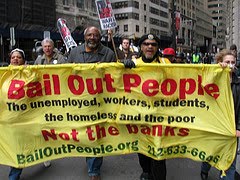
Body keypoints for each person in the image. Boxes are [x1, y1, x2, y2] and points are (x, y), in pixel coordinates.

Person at [68, 26, 116, 180]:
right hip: (80, 103)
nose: (92, 38)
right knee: (84, 135)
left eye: (96, 35)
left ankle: (94, 170)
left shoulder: (109, 54)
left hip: (100, 103)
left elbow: (116, 76)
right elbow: (64, 73)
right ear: (84, 37)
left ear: (100, 37)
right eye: (89, 35)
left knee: (96, 135)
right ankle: (90, 159)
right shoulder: (74, 53)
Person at [123, 34, 171, 180]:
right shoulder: (133, 62)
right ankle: (146, 171)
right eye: (146, 44)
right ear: (141, 47)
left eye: (154, 44)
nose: (150, 46)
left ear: (157, 47)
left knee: (158, 153)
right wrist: (124, 69)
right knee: (142, 149)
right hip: (140, 116)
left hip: (159, 116)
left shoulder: (166, 63)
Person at [200, 49, 240, 180]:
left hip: (231, 128)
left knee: (229, 161)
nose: (230, 65)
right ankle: (205, 168)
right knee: (211, 153)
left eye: (233, 62)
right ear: (220, 62)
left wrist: (238, 127)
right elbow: (203, 86)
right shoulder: (214, 77)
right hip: (214, 126)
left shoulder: (238, 83)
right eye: (227, 62)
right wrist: (216, 71)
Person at [34, 38, 66, 168]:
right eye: (45, 46)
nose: (47, 48)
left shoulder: (61, 58)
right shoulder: (39, 60)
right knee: (45, 125)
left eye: (49, 46)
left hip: (58, 95)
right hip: (44, 97)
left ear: (53, 47)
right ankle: (47, 153)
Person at [8, 48, 26, 180]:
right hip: (8, 119)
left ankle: (14, 175)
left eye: (18, 57)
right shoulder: (4, 75)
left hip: (24, 118)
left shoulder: (28, 73)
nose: (15, 59)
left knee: (19, 147)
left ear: (23, 60)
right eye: (13, 57)